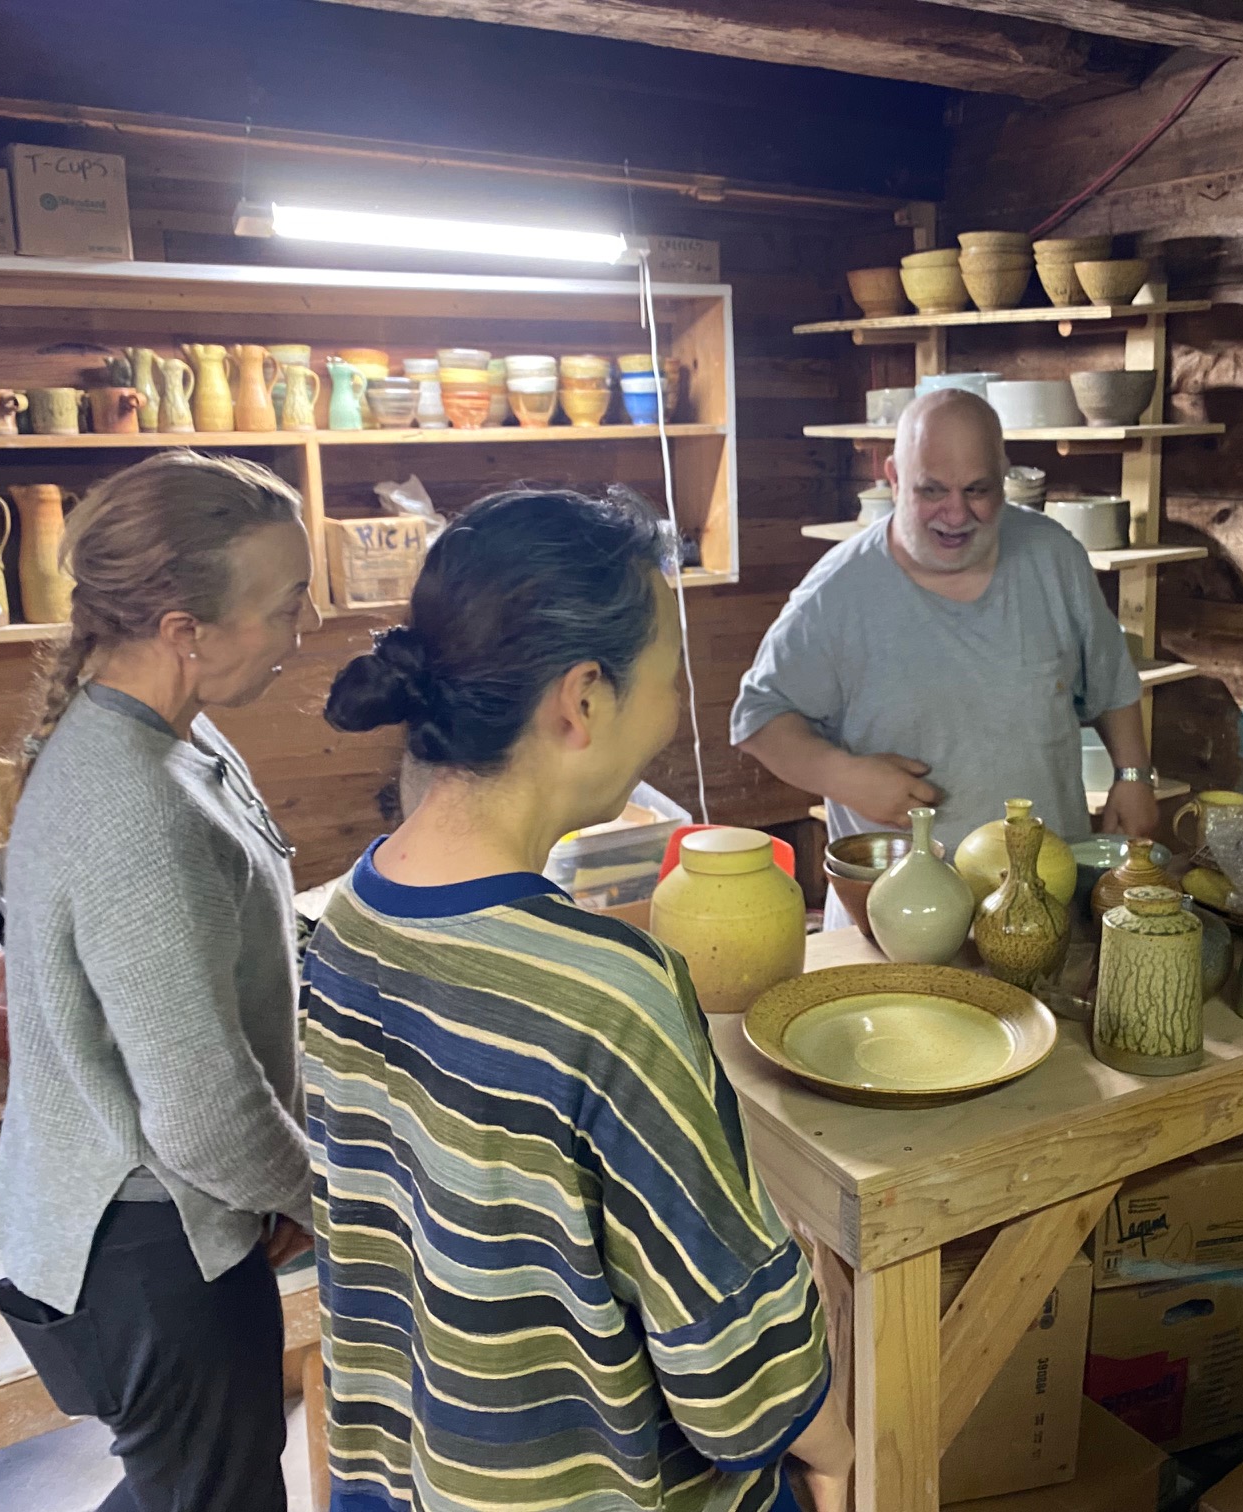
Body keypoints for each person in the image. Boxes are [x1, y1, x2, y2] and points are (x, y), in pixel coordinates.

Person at [306, 487, 850, 1512]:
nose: (678, 703)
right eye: (671, 675)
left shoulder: (348, 920)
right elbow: (733, 1375)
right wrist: (833, 1442)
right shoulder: (609, 997)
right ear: (584, 699)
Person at [0, 451, 322, 1512]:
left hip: (160, 1222)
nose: (301, 632)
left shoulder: (177, 740)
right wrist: (326, 1191)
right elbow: (203, 1113)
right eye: (286, 607)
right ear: (185, 631)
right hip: (146, 1253)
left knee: (192, 1486)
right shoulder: (137, 807)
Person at [733, 389, 1159, 905]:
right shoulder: (837, 593)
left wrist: (1132, 776)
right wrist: (846, 777)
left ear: (1004, 476)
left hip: (1045, 903)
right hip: (895, 916)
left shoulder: (1054, 557)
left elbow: (1113, 682)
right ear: (892, 477)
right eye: (931, 491)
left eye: (977, 490)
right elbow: (756, 719)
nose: (955, 515)